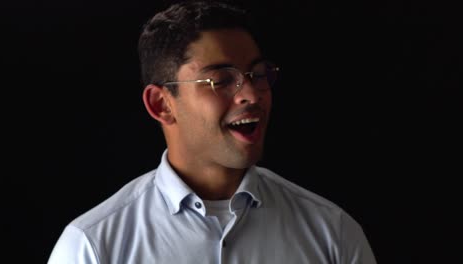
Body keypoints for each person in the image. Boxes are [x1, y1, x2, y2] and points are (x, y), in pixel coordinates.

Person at [47, 0, 377, 263]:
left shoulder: (333, 234)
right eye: (220, 80)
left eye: (257, 74)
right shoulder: (91, 247)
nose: (251, 94)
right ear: (162, 105)